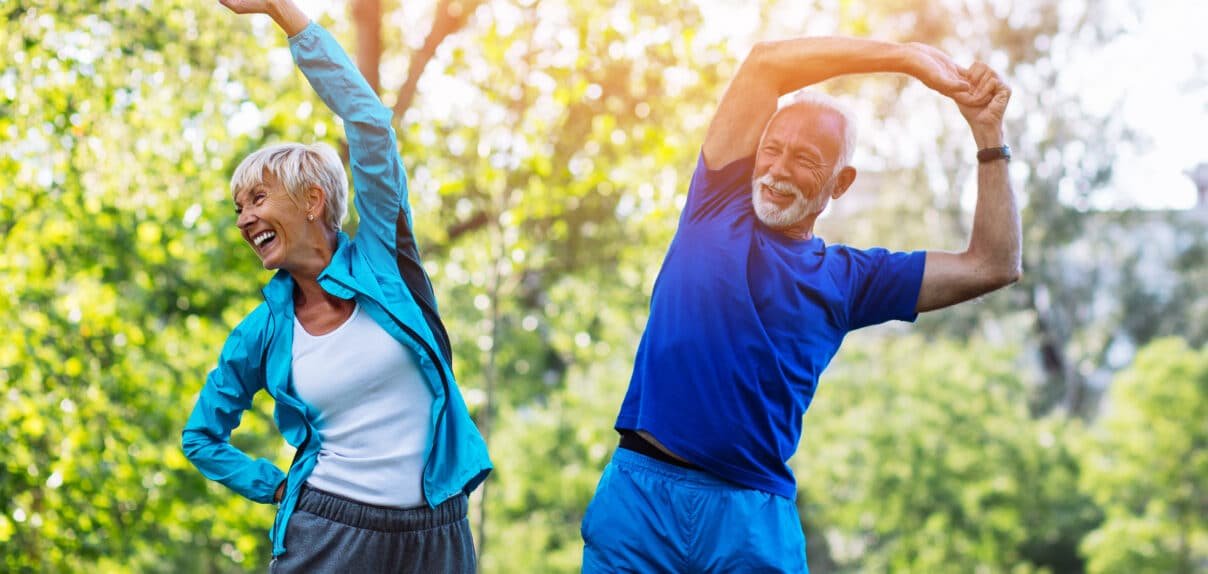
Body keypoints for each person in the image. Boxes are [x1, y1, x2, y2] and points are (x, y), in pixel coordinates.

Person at [580, 36, 1018, 572]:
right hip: (640, 503)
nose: (778, 170)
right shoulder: (714, 203)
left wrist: (988, 135)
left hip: (751, 522)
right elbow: (764, 62)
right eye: (772, 149)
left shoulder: (852, 279)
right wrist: (906, 58)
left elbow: (992, 264)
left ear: (841, 183)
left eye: (806, 159)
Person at [180, 0, 490, 571]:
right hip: (331, 535)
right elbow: (201, 437)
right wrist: (276, 488)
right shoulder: (264, 332)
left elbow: (369, 123)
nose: (244, 219)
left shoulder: (384, 262)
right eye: (238, 208)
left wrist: (283, 12)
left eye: (258, 199)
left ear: (312, 200)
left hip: (437, 532)